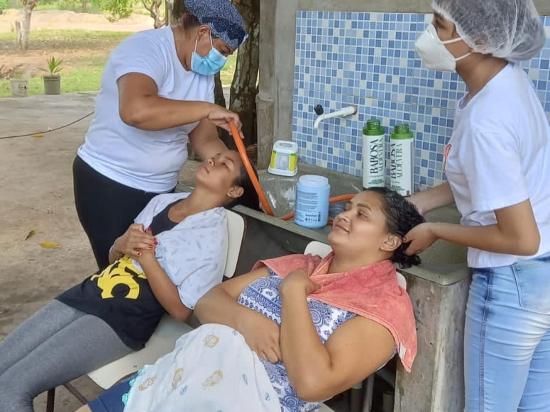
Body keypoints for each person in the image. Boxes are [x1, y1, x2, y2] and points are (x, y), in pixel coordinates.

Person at [78, 188, 425, 412]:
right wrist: (248, 323)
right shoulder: (303, 264)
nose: (344, 215)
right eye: (348, 207)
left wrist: (292, 295)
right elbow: (207, 301)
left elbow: (312, 383)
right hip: (185, 371)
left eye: (361, 214)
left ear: (390, 241)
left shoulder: (381, 307)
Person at [0, 150, 258, 412]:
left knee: (10, 389)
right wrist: (121, 244)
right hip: (91, 290)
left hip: (122, 316)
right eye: (214, 157)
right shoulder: (164, 202)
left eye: (225, 164)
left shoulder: (212, 237)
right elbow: (115, 257)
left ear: (235, 192)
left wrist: (148, 260)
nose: (212, 161)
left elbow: (183, 310)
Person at [408, 1, 550, 410]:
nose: (428, 31)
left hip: (512, 284)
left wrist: (435, 229)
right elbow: (497, 179)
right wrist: (424, 202)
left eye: (439, 23)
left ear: (483, 39)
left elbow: (521, 238)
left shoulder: (487, 117)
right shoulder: (507, 83)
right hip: (542, 279)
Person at [74, 0, 248, 269]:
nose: (221, 62)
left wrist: (235, 169)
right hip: (110, 183)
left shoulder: (198, 70)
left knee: (153, 270)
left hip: (161, 192)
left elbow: (204, 138)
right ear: (203, 33)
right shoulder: (145, 49)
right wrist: (207, 108)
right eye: (223, 51)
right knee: (119, 272)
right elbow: (135, 111)